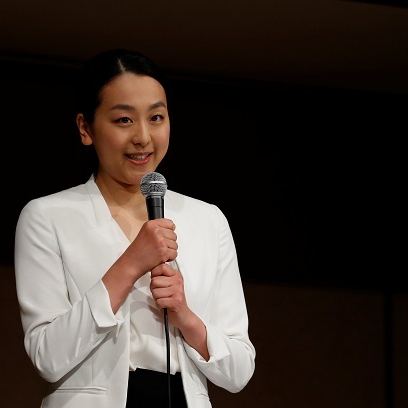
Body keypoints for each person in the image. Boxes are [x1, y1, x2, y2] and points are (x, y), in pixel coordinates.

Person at [14, 48, 256, 408]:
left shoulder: (208, 220)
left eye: (156, 117)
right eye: (124, 120)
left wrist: (186, 317)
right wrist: (129, 265)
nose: (143, 137)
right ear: (86, 128)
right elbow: (48, 357)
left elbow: (239, 371)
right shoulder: (49, 216)